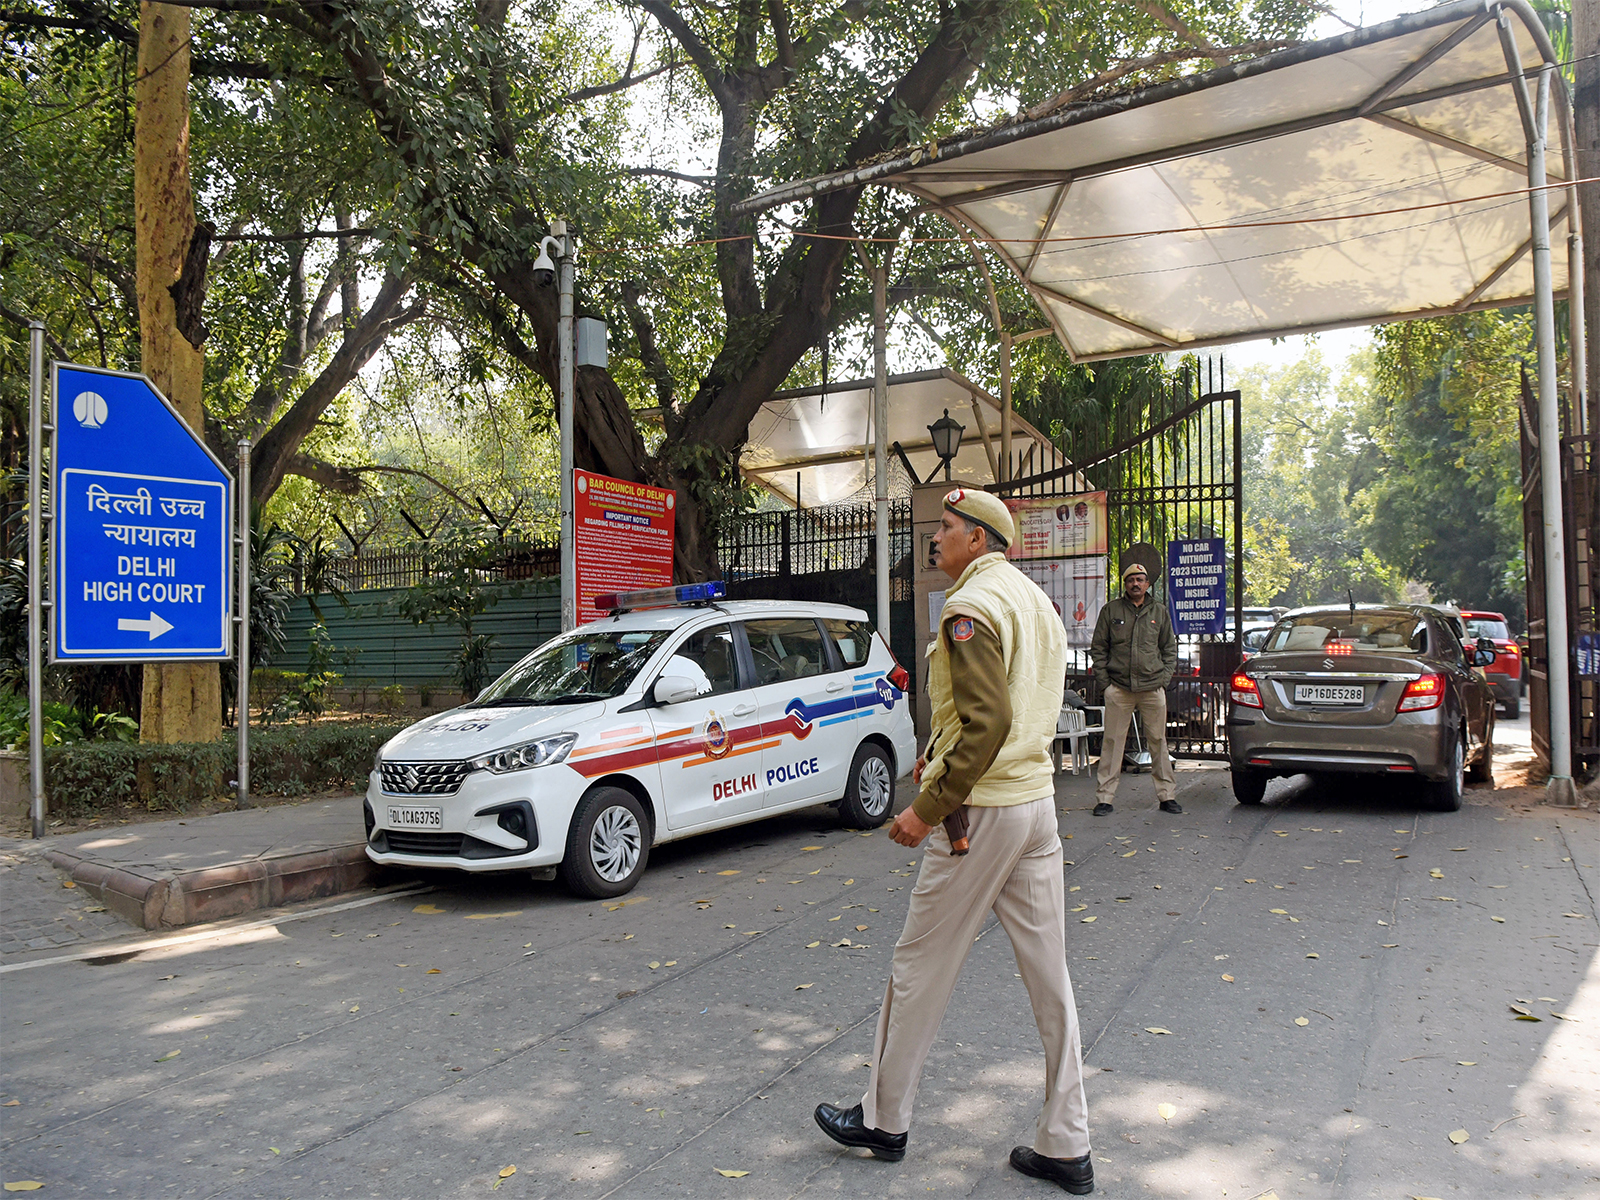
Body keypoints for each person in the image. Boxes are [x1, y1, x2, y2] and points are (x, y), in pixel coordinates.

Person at [814, 487, 1095, 1196]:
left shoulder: (971, 608)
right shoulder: (1033, 602)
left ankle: (884, 1122)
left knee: (917, 968)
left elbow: (989, 719)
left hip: (981, 813)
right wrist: (937, 751)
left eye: (944, 527)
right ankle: (1067, 1144)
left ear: (978, 539)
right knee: (1051, 981)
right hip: (1035, 807)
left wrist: (929, 803)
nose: (934, 538)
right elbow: (1003, 708)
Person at [1089, 562, 1180, 816]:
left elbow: (1169, 649)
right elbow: (1098, 648)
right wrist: (1106, 684)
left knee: (1158, 742)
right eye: (1131, 580)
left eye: (1140, 579)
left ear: (1148, 583)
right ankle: (1104, 798)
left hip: (1152, 688)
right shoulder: (1111, 610)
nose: (1135, 584)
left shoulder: (1159, 611)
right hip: (1119, 687)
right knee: (1113, 742)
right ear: (1125, 584)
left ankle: (1167, 796)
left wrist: (1163, 680)